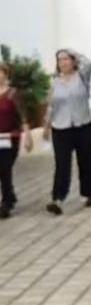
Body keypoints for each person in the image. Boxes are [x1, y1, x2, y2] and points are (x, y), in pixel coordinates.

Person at [43, 48, 91, 215]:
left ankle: (87, 194)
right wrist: (46, 126)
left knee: (86, 162)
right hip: (61, 128)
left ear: (73, 61)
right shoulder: (54, 82)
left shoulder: (82, 76)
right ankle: (57, 199)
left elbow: (89, 63)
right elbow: (51, 106)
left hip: (84, 125)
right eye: (60, 60)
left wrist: (71, 51)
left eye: (66, 59)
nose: (63, 62)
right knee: (62, 165)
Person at [0, 62, 33, 219]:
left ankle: (6, 202)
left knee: (4, 169)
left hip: (10, 138)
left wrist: (28, 136)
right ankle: (10, 195)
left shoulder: (13, 94)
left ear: (5, 74)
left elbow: (22, 116)